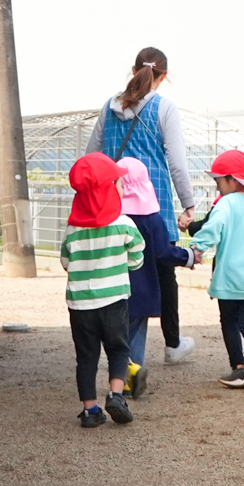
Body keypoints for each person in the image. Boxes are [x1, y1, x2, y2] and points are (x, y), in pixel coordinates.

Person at [85, 48, 198, 370]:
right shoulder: (165, 108)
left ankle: (121, 359)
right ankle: (171, 344)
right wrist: (188, 204)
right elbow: (176, 162)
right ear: (162, 77)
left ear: (132, 70)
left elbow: (91, 155)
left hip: (111, 207)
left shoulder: (109, 107)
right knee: (160, 276)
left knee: (116, 280)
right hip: (154, 207)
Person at [59, 153, 144, 427]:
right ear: (110, 187)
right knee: (119, 350)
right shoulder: (124, 223)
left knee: (86, 357)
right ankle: (116, 395)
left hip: (80, 304)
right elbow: (137, 258)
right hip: (113, 301)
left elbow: (65, 261)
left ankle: (90, 410)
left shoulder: (73, 227)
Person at [185, 149, 244, 389]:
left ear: (232, 179)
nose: (217, 187)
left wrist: (197, 248)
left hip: (231, 278)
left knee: (229, 321)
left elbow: (213, 228)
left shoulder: (227, 203)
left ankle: (239, 366)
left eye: (218, 181)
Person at [115, 157, 190, 398]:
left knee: (116, 333)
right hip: (143, 288)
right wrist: (187, 256)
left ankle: (120, 375)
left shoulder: (113, 218)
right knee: (136, 331)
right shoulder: (152, 219)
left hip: (114, 287)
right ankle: (132, 374)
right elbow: (163, 252)